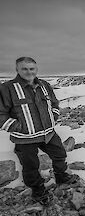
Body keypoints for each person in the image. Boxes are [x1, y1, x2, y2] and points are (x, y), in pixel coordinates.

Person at [0, 57, 77, 204]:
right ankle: (37, 190)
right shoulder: (8, 88)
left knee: (59, 153)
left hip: (48, 133)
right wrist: (17, 127)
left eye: (31, 68)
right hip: (25, 137)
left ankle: (61, 176)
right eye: (24, 69)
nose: (29, 72)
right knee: (30, 165)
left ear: (36, 69)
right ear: (17, 70)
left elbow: (54, 103)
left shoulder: (44, 85)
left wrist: (53, 116)